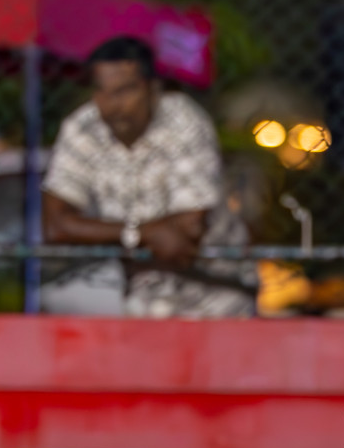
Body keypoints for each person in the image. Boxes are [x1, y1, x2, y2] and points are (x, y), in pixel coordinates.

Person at [41, 36, 252, 319]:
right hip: (143, 296)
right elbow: (56, 227)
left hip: (217, 294)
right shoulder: (81, 129)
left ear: (153, 89)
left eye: (125, 91)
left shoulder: (184, 121)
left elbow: (187, 229)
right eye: (103, 92)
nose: (113, 105)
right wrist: (142, 233)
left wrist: (103, 232)